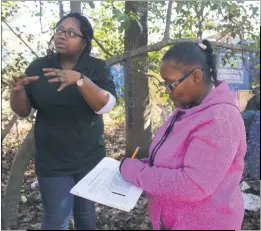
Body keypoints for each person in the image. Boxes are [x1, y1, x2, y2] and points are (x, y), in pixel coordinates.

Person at [120, 40, 247, 230]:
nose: (166, 90)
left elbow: (193, 184)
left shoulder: (219, 119)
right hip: (176, 221)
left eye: (171, 83)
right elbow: (175, 157)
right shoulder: (190, 108)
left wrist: (137, 173)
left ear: (196, 76)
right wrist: (144, 164)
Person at [10, 12, 117, 230]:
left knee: (86, 214)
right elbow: (23, 112)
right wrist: (18, 92)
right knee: (57, 217)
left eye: (71, 33)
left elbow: (105, 105)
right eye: (59, 30)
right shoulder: (39, 67)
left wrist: (79, 80)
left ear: (84, 41)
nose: (62, 35)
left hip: (89, 157)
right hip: (52, 159)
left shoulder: (96, 68)